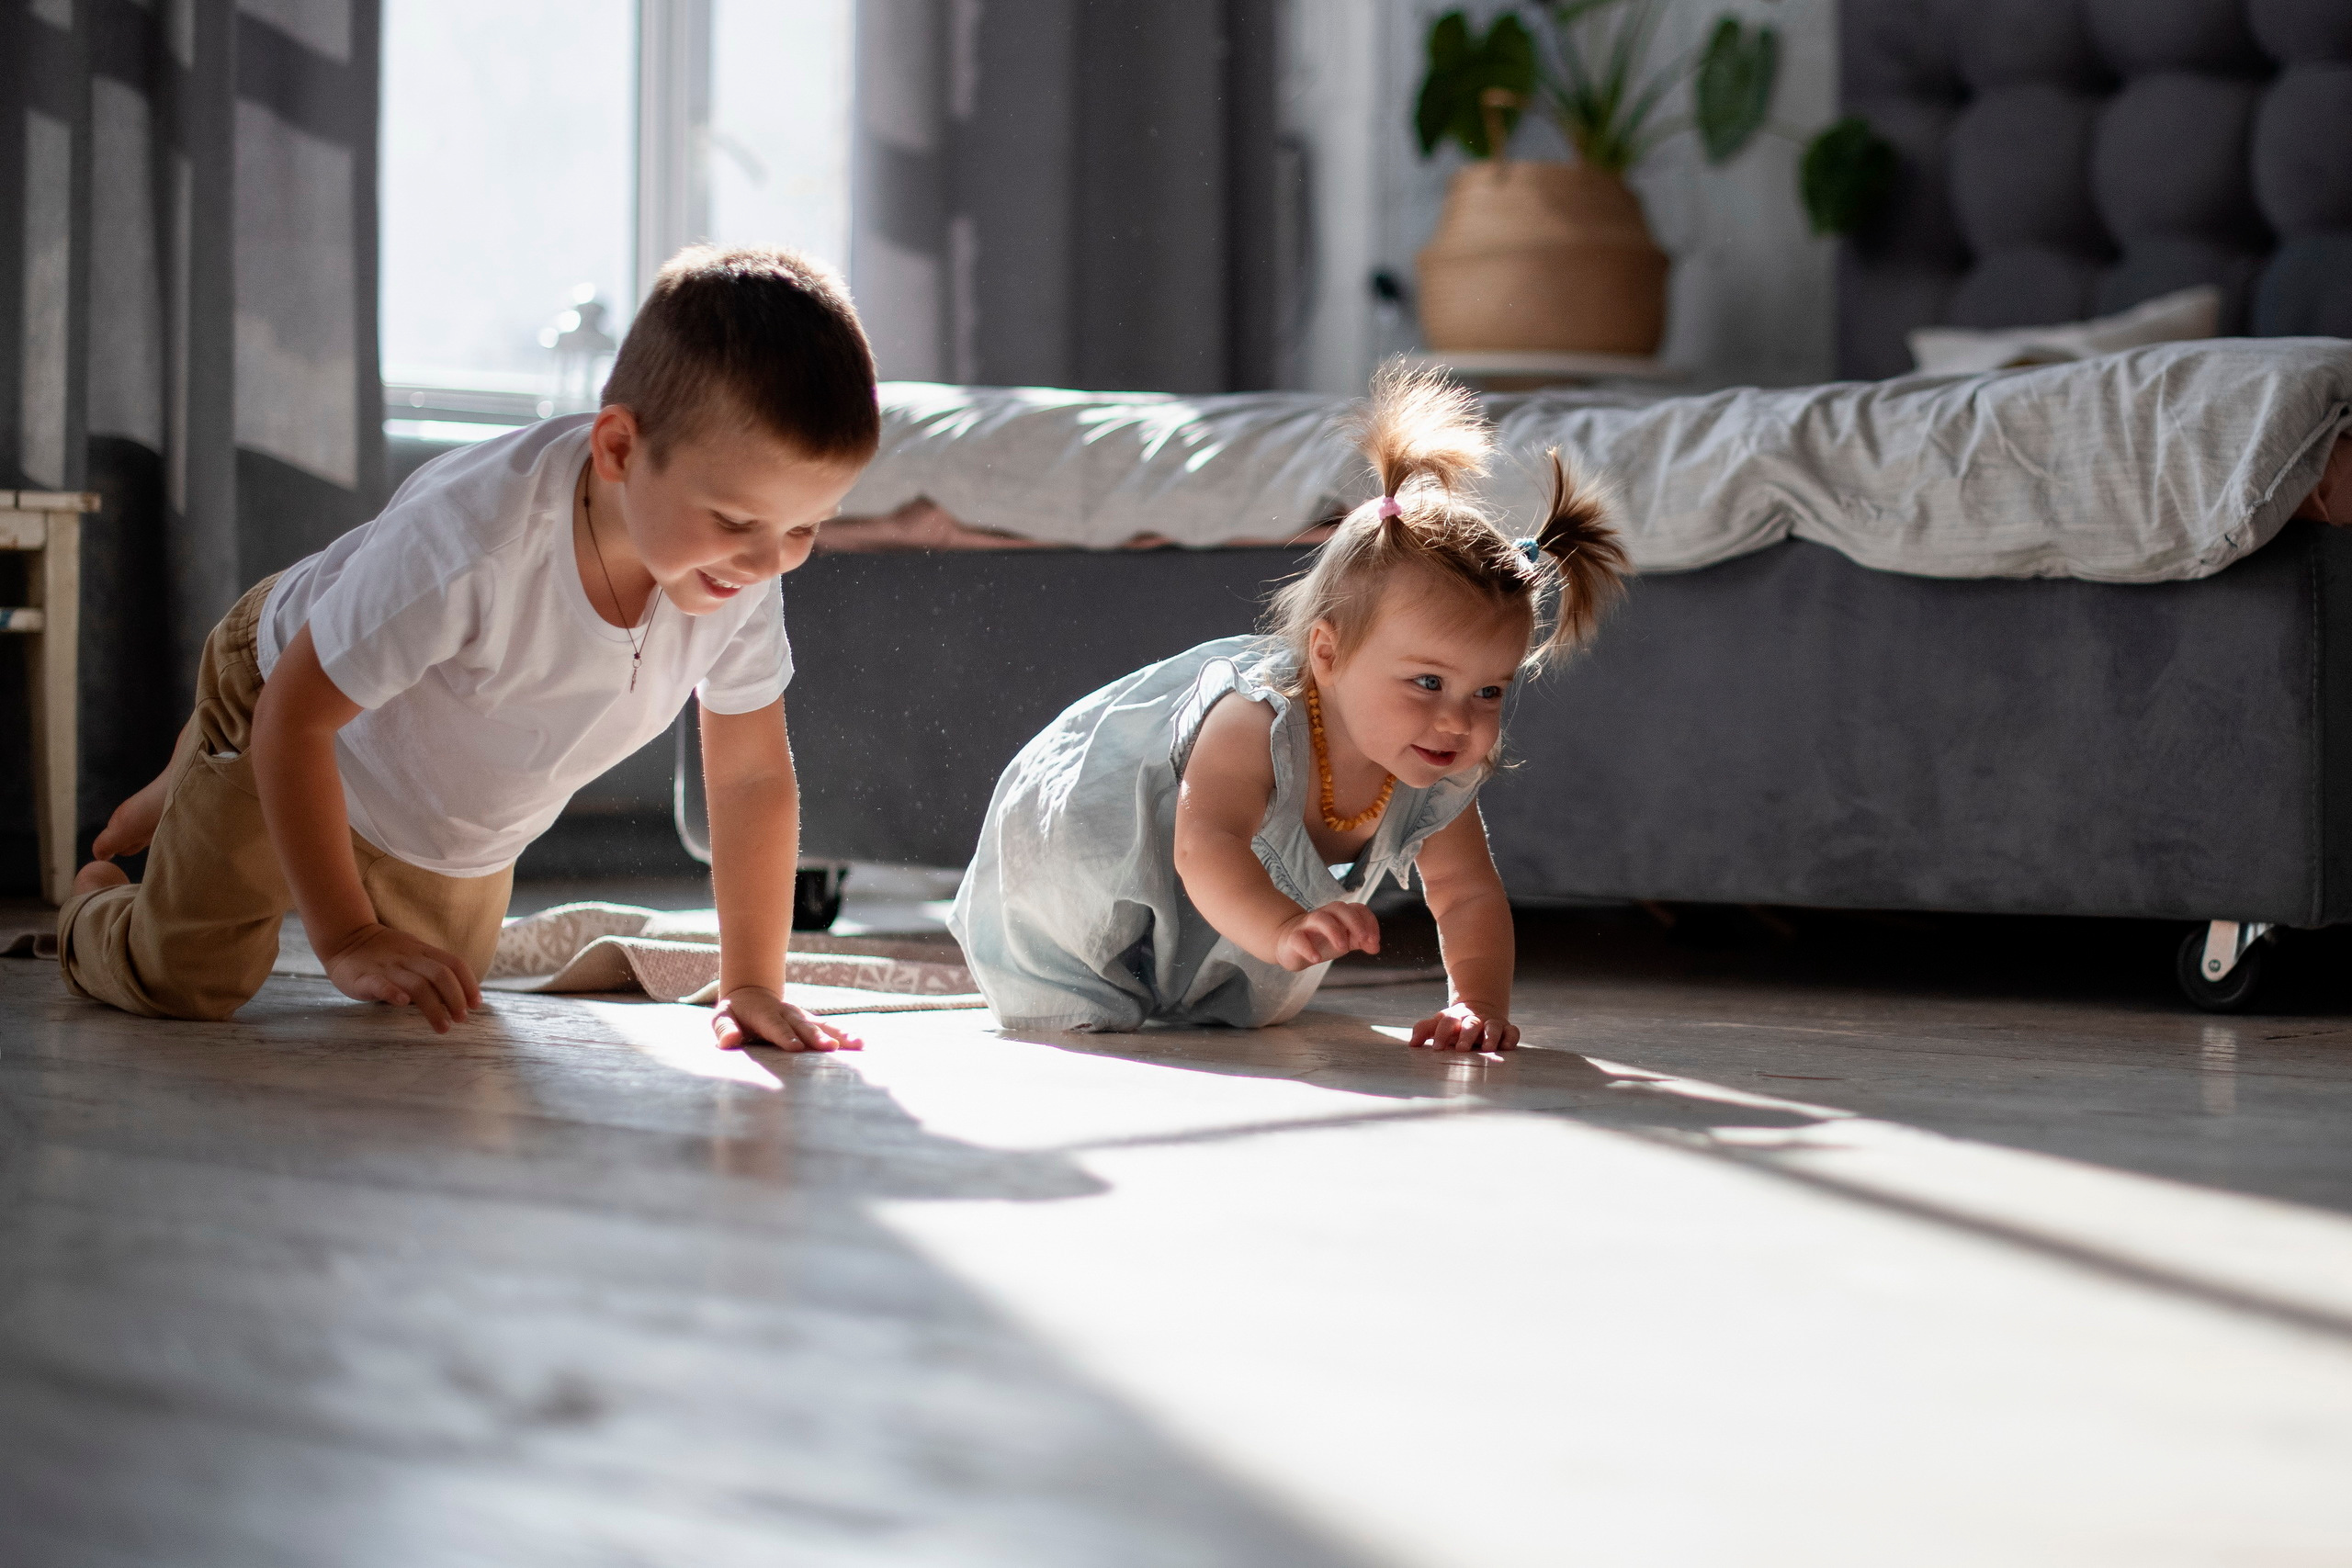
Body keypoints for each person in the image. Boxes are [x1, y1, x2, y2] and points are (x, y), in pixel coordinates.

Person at [60, 245, 876, 1053]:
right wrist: (345, 938)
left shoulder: (740, 573)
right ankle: (110, 886)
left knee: (432, 993)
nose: (773, 561)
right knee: (184, 977)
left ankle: (192, 781)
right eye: (738, 522)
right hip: (297, 708)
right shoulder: (476, 541)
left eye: (805, 526)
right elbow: (295, 718)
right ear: (619, 449)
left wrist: (752, 983)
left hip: (444, 813)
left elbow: (751, 775)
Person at [950, 364, 1629, 1046]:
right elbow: (1205, 842)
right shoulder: (1254, 719)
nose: (1458, 720)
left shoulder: (1437, 765)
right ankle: (1090, 966)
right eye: (1427, 682)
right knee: (1084, 982)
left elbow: (1465, 893)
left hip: (1207, 894)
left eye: (1489, 691)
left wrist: (1476, 1001)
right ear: (1328, 655)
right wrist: (1278, 927)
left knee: (1242, 998)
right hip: (1091, 841)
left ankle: (1203, 967)